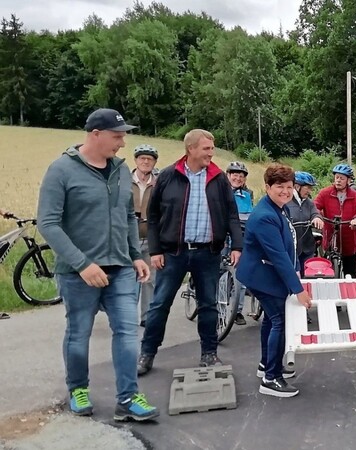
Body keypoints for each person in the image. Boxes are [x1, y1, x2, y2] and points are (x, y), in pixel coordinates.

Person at [37, 108, 158, 420]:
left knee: (128, 332)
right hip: (79, 273)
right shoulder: (61, 170)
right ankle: (78, 389)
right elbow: (48, 223)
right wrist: (82, 264)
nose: (122, 143)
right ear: (95, 134)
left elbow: (127, 217)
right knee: (79, 332)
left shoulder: (119, 171)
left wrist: (134, 255)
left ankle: (128, 399)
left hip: (120, 268)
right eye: (117, 136)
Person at [138, 129, 243, 375]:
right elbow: (152, 217)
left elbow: (231, 215)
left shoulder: (218, 179)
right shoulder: (167, 176)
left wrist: (237, 245)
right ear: (191, 149)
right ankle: (147, 353)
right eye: (206, 148)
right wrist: (155, 250)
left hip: (208, 253)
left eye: (212, 149)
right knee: (159, 304)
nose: (211, 153)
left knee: (208, 305)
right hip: (173, 253)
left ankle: (209, 353)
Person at [236, 163, 313, 398]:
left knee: (271, 320)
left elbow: (289, 247)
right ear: (267, 187)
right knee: (280, 320)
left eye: (289, 187)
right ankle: (271, 378)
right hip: (262, 276)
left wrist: (296, 271)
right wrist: (297, 288)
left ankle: (266, 365)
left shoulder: (280, 208)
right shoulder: (264, 216)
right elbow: (278, 256)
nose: (285, 191)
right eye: (280, 186)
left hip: (268, 274)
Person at [314, 164, 356, 278]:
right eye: (337, 177)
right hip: (330, 235)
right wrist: (317, 216)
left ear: (348, 180)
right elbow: (315, 206)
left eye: (342, 178)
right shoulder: (325, 193)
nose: (338, 181)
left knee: (350, 274)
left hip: (349, 239)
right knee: (328, 272)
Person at [131, 144, 159, 328]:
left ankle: (146, 317)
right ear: (136, 160)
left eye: (150, 159)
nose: (146, 161)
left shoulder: (158, 183)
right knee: (127, 279)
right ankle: (125, 316)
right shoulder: (124, 180)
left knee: (149, 279)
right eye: (142, 158)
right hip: (128, 238)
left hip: (150, 236)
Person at [226, 161, 254, 326]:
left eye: (241, 176)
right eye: (235, 175)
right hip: (222, 236)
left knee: (240, 277)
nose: (238, 178)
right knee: (219, 273)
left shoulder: (248, 194)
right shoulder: (220, 191)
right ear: (228, 175)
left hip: (241, 237)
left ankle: (237, 311)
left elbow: (251, 214)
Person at [287, 171, 325, 277]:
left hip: (307, 247)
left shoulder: (309, 202)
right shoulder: (286, 200)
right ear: (297, 186)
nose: (310, 191)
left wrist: (317, 218)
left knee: (308, 276)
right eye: (307, 187)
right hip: (291, 247)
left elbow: (315, 213)